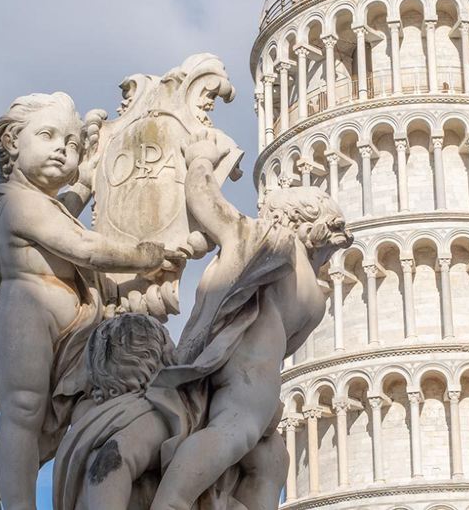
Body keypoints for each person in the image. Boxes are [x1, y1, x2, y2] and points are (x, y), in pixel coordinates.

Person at [0, 92, 187, 510]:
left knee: (52, 427)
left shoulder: (44, 206)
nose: (62, 149)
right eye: (48, 136)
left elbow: (64, 216)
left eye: (71, 144)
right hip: (26, 318)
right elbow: (82, 246)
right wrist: (149, 256)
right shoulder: (15, 204)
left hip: (74, 327)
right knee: (24, 411)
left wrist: (85, 183)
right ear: (12, 143)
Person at [148, 130, 353, 510]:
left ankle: (173, 500)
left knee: (245, 441)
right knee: (243, 437)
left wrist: (201, 159)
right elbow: (290, 344)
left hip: (238, 360)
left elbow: (207, 203)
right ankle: (172, 502)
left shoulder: (267, 241)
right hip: (257, 373)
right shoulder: (314, 295)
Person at [54, 313, 195, 510]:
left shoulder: (95, 419)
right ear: (154, 358)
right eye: (169, 347)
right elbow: (112, 460)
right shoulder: (150, 413)